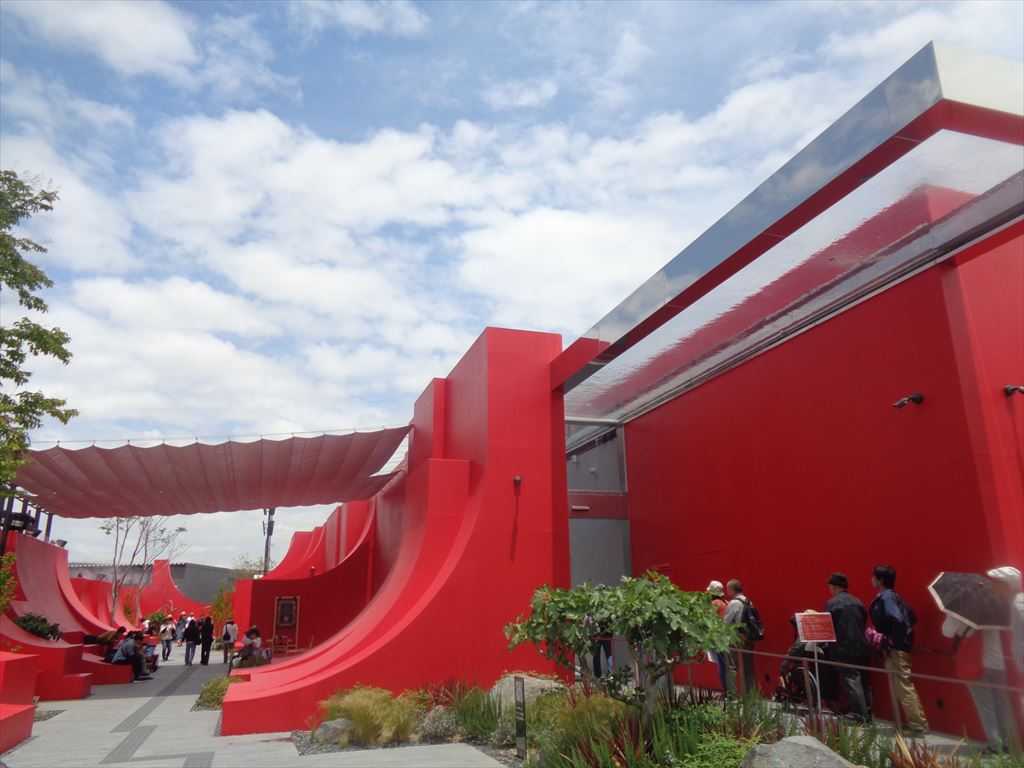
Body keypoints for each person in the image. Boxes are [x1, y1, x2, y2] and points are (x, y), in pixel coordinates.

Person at [869, 565, 928, 735]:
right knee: (901, 685)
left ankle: (918, 726)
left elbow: (898, 619)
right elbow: (911, 617)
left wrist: (889, 640)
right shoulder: (893, 596)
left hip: (896, 649)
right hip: (899, 647)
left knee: (903, 686)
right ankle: (914, 723)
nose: (871, 579)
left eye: (874, 577)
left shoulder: (887, 597)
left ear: (880, 580)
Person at [824, 572, 871, 722]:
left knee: (851, 679)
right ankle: (867, 712)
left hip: (843, 647)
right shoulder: (858, 602)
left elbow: (828, 626)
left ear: (834, 587)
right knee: (863, 680)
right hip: (862, 645)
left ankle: (859, 715)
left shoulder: (832, 603)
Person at [724, 579, 762, 695]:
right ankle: (750, 694)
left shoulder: (734, 603)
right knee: (748, 668)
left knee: (732, 668)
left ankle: (733, 695)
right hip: (749, 639)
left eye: (727, 589)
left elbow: (726, 623)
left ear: (731, 589)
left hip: (737, 640)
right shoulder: (748, 601)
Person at [707, 581, 732, 695]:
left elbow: (708, 619)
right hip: (727, 638)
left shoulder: (715, 603)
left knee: (722, 666)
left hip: (719, 639)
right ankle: (729, 691)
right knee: (727, 666)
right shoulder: (726, 602)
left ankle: (727, 692)